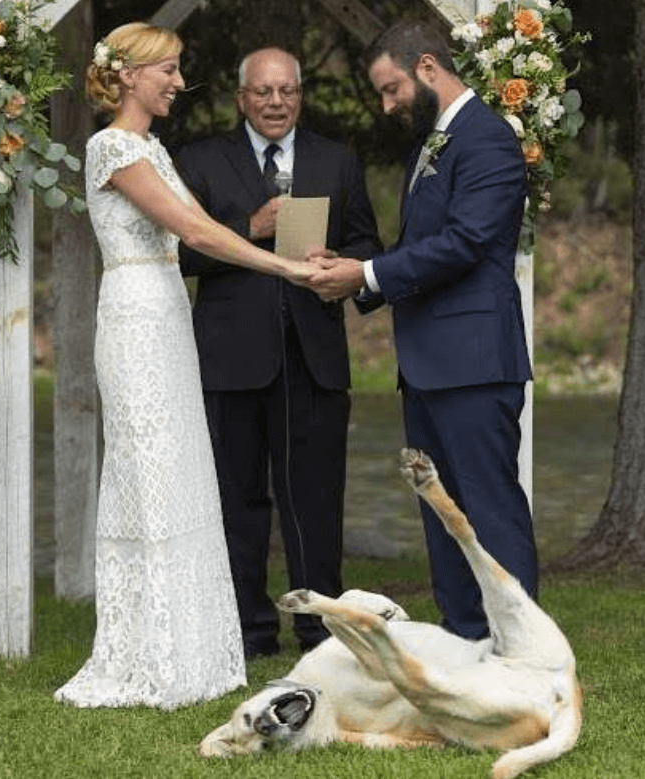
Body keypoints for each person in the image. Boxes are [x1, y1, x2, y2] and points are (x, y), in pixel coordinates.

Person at [54, 23, 315, 709]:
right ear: (130, 76)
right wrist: (287, 265)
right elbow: (197, 233)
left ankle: (192, 645)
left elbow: (209, 224)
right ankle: (149, 650)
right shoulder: (111, 145)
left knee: (183, 468)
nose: (177, 82)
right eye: (166, 70)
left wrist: (284, 244)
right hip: (136, 316)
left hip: (170, 313)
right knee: (149, 470)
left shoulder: (152, 147)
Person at [307, 21, 537, 641]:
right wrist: (354, 274)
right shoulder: (431, 144)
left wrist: (368, 272)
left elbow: (464, 244)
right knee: (442, 511)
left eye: (392, 88)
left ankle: (520, 650)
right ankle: (466, 637)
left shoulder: (486, 138)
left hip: (475, 361)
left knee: (488, 509)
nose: (387, 105)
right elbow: (421, 248)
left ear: (428, 66)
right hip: (430, 363)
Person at [174, 47, 381, 659]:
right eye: (263, 92)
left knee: (315, 501)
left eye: (287, 91)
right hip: (230, 361)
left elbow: (367, 242)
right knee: (237, 502)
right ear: (241, 98)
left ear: (300, 96)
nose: (275, 102)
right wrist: (249, 231)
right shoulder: (201, 161)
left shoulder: (337, 160)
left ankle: (322, 633)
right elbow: (179, 257)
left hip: (313, 357)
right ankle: (247, 632)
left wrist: (339, 263)